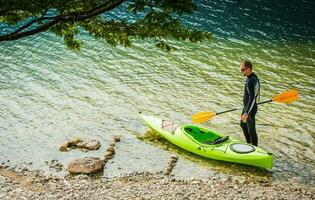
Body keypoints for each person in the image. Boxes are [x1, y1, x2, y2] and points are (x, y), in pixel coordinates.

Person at [240, 61, 260, 146]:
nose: (241, 72)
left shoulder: (250, 81)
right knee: (242, 124)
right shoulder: (253, 77)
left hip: (250, 109)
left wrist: (247, 112)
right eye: (240, 70)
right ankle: (249, 144)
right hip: (248, 106)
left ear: (248, 69)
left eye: (243, 70)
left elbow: (252, 99)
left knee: (251, 130)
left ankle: (255, 149)